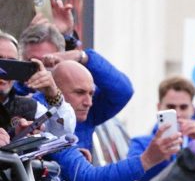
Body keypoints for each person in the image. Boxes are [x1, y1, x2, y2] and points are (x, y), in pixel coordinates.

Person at [48, 61, 179, 181]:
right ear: (54, 91)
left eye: (91, 93)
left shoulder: (81, 115)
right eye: (79, 92)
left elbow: (123, 91)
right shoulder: (45, 120)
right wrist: (147, 159)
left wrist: (86, 56)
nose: (89, 102)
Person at [19, 18, 133, 151]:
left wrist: (83, 56)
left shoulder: (83, 106)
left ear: (61, 60)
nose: (41, 70)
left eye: (48, 62)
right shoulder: (13, 100)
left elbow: (122, 91)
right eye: (33, 63)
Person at [128, 76, 195, 181]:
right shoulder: (140, 143)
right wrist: (158, 157)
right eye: (171, 107)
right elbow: (133, 179)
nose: (177, 114)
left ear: (192, 109)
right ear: (159, 107)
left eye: (183, 107)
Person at [0, 29, 74, 135]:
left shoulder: (30, 107)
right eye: (0, 61)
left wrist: (54, 96)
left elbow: (62, 133)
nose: (4, 70)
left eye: (12, 63)